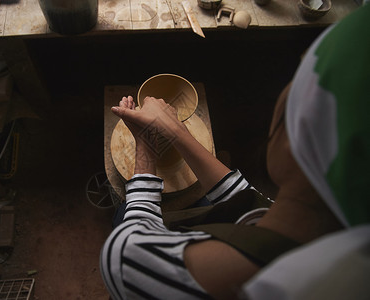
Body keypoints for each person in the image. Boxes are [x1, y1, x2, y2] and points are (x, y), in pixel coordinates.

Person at [100, 3, 370, 299]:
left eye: (291, 93)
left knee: (122, 215)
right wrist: (176, 131)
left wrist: (147, 148)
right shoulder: (338, 250)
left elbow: (126, 247)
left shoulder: (133, 265)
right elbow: (251, 204)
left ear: (293, 144)